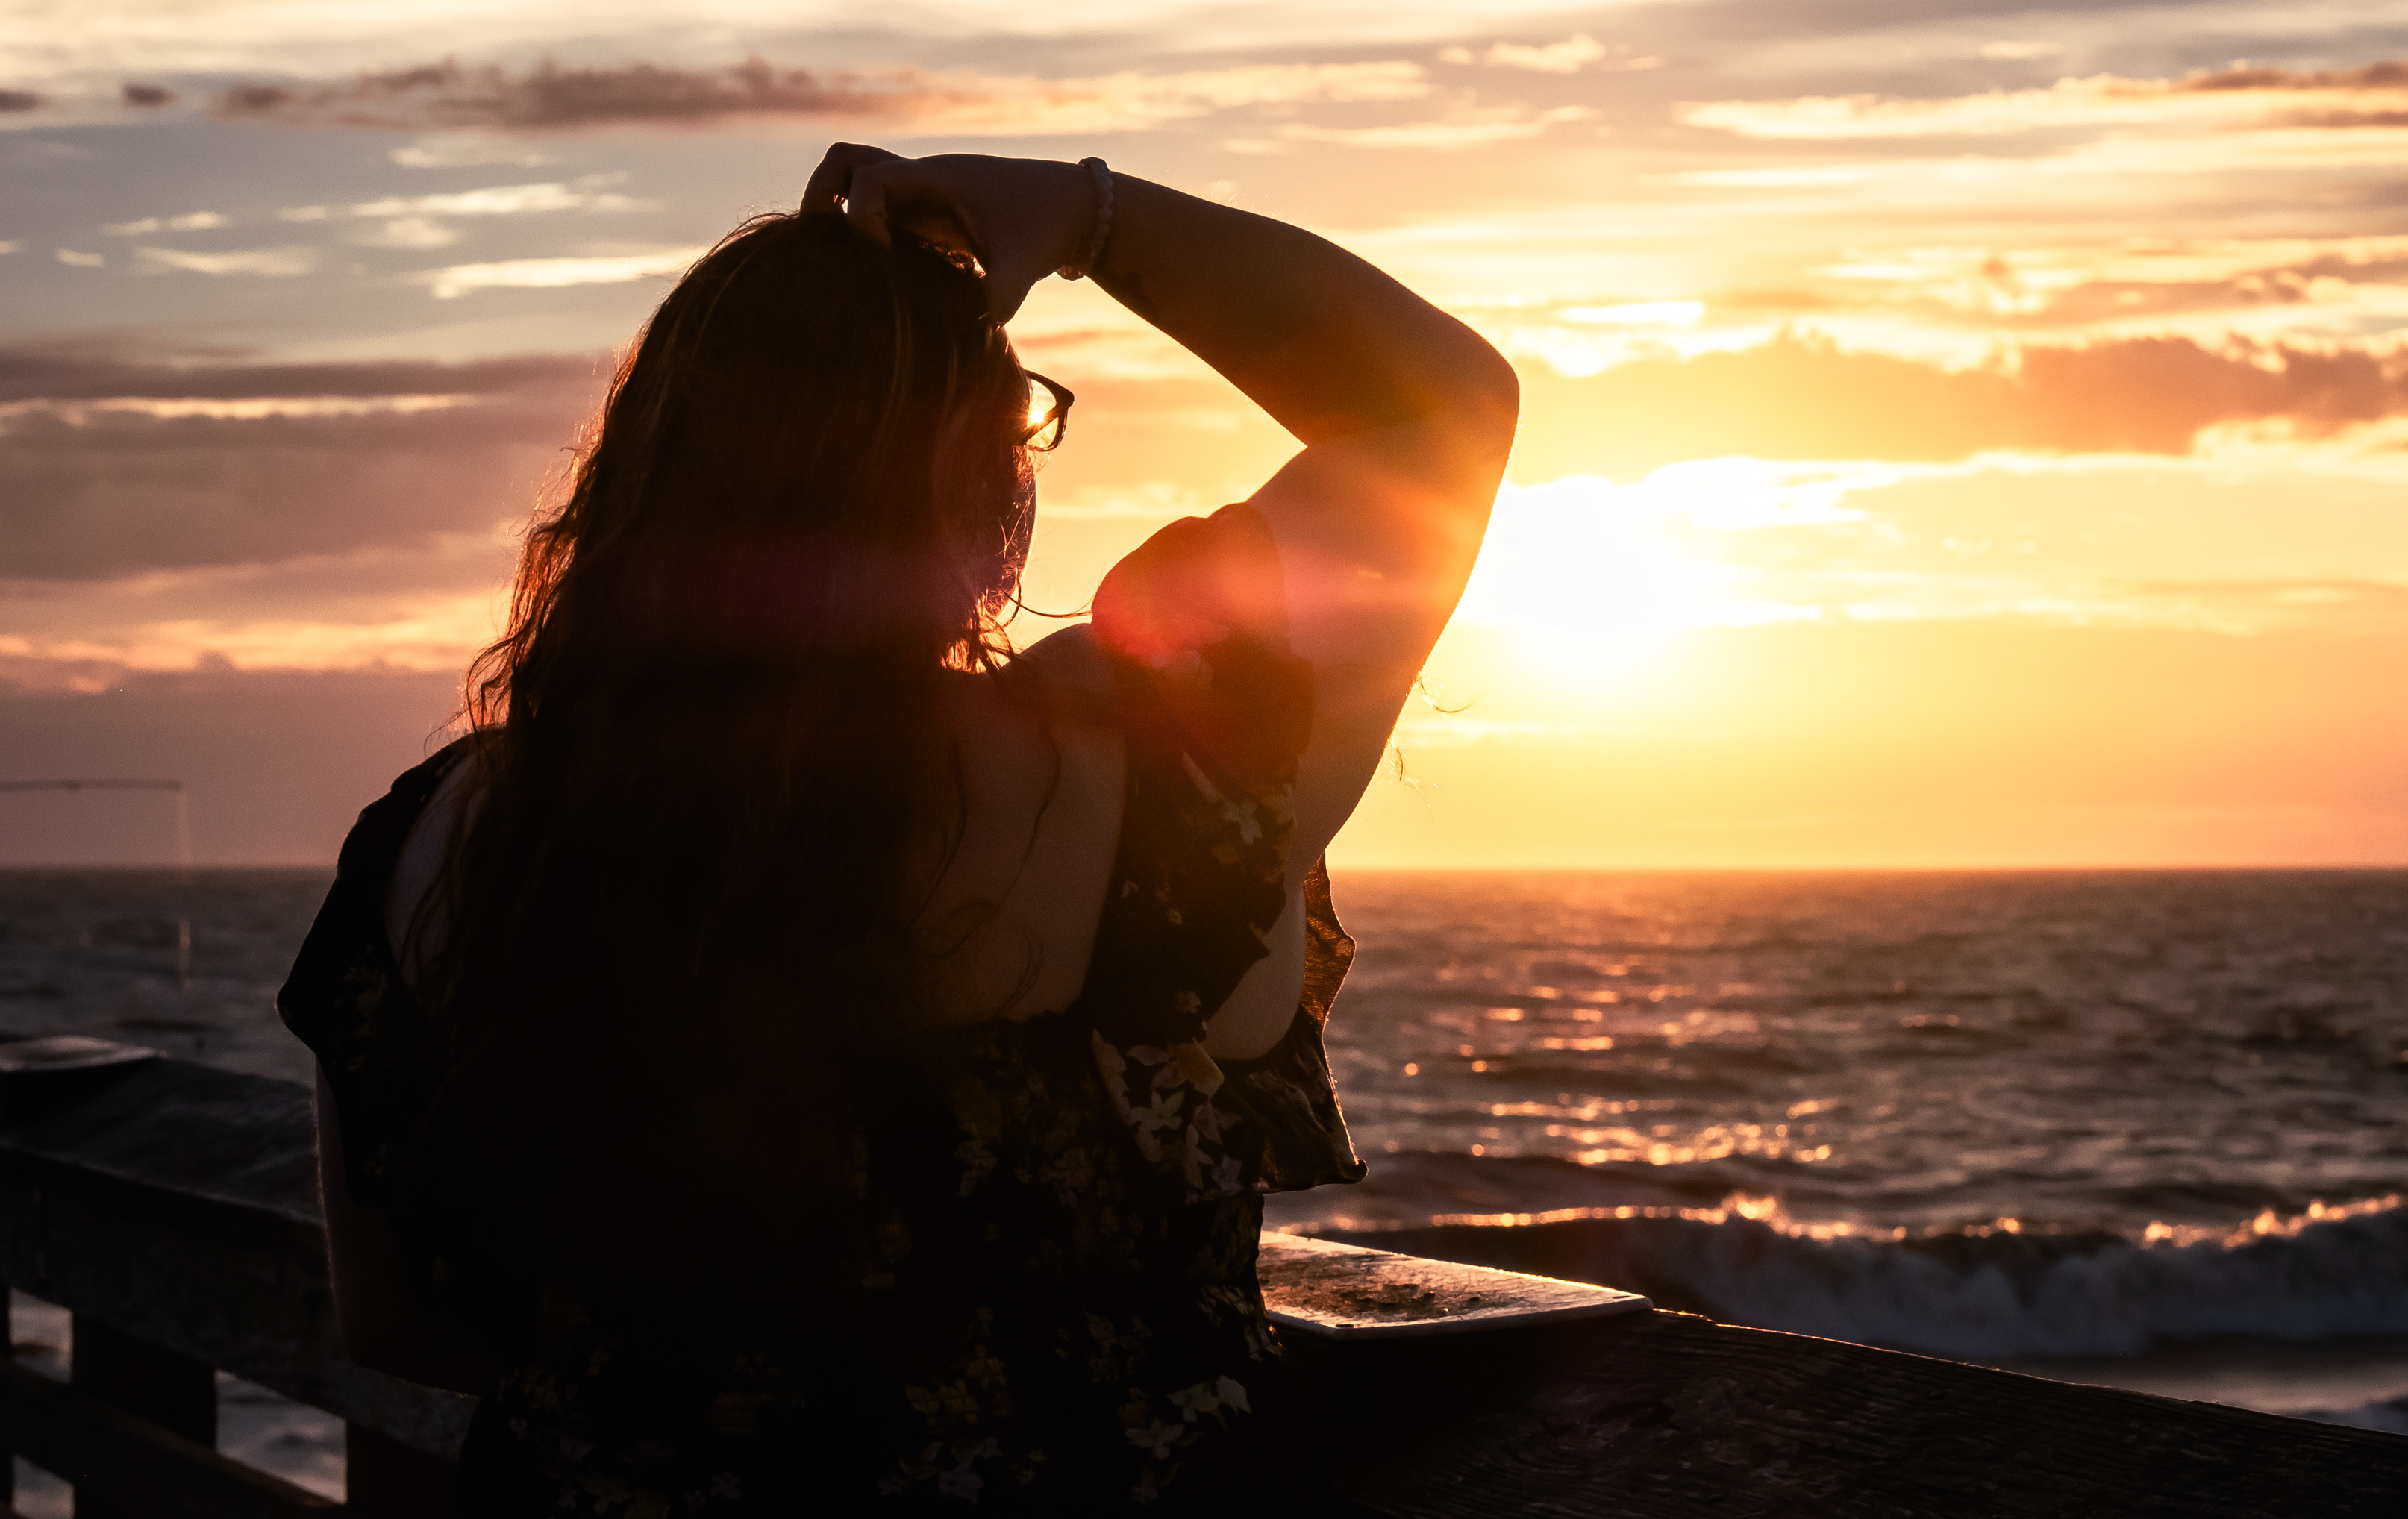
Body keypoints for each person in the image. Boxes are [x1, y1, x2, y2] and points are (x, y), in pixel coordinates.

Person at [277, 148, 1519, 1512]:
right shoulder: (1146, 764)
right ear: (975, 492)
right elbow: (1443, 412)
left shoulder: (437, 842)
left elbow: (397, 1323)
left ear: (646, 479)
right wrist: (1087, 219)